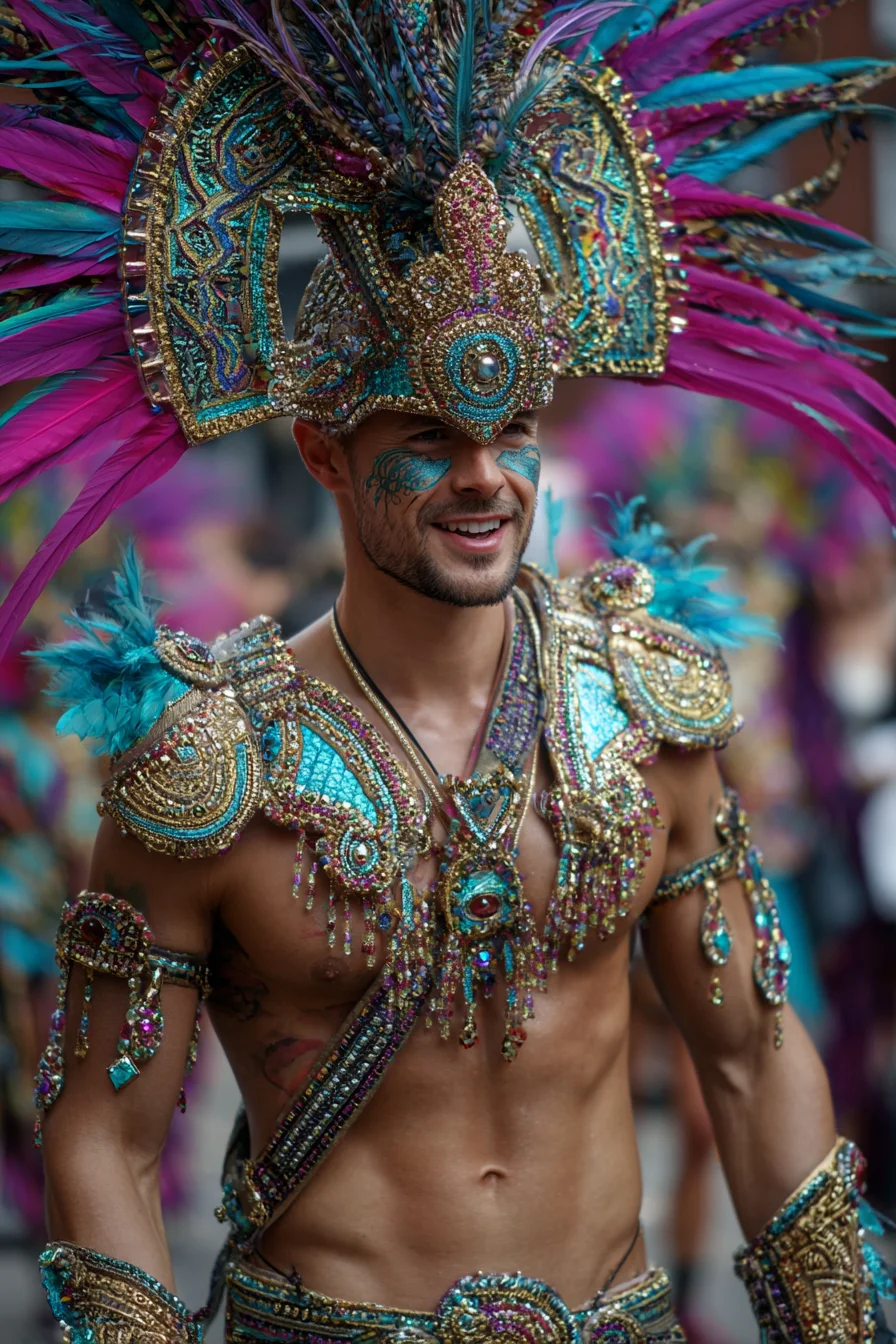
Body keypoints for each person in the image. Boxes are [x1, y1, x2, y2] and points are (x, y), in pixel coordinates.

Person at [2, 3, 896, 1341]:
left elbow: (754, 1057)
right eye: (429, 436)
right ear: (323, 453)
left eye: (513, 431)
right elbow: (106, 1146)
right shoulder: (206, 768)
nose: (486, 478)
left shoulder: (646, 717)